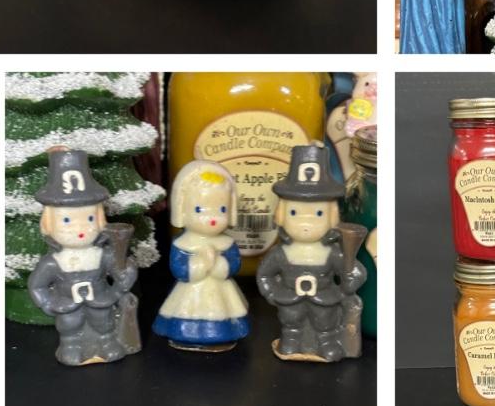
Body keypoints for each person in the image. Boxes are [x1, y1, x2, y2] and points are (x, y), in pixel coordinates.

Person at [27, 148, 140, 367]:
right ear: (48, 223)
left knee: (104, 323)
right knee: (70, 326)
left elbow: (119, 269)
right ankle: (71, 346)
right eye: (66, 221)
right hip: (68, 306)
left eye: (89, 218)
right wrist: (49, 303)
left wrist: (125, 275)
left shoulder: (102, 254)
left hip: (101, 301)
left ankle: (107, 342)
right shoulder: (53, 263)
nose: (80, 228)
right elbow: (37, 285)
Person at [255, 144, 366, 362]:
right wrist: (273, 294)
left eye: (318, 213)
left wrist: (351, 277)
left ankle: (327, 342)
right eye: (294, 212)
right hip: (290, 302)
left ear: (332, 217)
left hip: (324, 301)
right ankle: (291, 340)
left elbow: (354, 271)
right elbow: (265, 275)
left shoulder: (332, 252)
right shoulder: (281, 253)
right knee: (291, 324)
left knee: (325, 324)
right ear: (281, 214)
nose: (306, 223)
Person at [153, 161, 249, 350]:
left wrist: (219, 264)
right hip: (191, 293)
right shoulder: (182, 243)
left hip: (220, 290)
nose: (212, 218)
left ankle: (222, 334)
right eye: (199, 210)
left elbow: (234, 265)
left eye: (222, 210)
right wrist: (201, 263)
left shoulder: (226, 243)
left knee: (226, 310)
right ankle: (184, 334)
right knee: (184, 310)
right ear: (182, 209)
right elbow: (179, 269)